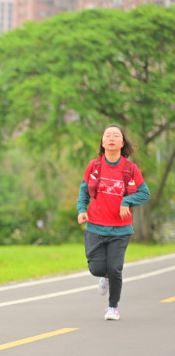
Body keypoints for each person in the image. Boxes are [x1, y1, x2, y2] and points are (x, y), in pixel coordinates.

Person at [77, 124, 150, 321]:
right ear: (102, 142)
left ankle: (113, 307)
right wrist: (82, 210)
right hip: (95, 226)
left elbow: (145, 193)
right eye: (107, 135)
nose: (111, 138)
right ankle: (105, 276)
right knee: (97, 269)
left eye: (116, 135)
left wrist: (127, 201)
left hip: (121, 229)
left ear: (122, 142)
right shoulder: (94, 166)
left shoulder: (130, 169)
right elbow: (84, 190)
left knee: (116, 268)